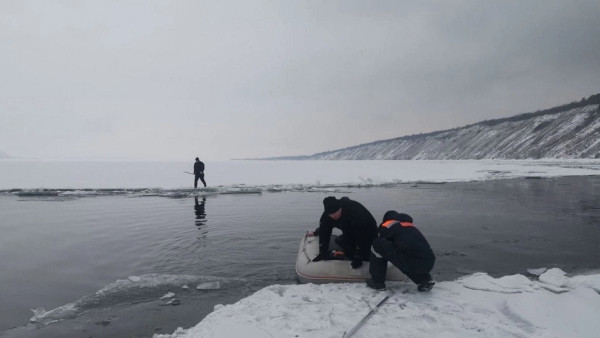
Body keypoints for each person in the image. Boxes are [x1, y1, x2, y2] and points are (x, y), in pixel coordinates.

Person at [367, 210, 436, 292]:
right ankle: (424, 280)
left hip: (411, 262)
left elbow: (382, 245)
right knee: (408, 254)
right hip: (429, 262)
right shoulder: (409, 226)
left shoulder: (387, 225)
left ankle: (377, 282)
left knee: (377, 244)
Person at [311, 196, 377, 269]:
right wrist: (322, 251)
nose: (332, 216)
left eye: (334, 214)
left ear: (340, 209)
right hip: (349, 231)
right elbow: (324, 230)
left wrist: (359, 256)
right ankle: (349, 253)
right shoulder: (328, 214)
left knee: (362, 254)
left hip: (368, 232)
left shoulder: (356, 212)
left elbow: (362, 235)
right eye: (330, 215)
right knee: (344, 246)